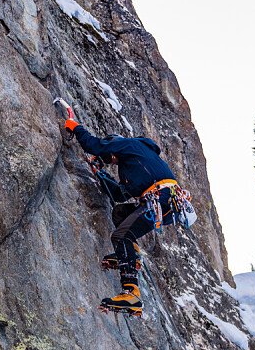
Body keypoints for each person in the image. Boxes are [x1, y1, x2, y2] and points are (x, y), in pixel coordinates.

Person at [63, 112, 186, 316]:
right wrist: (100, 175)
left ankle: (131, 293)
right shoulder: (135, 165)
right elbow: (120, 195)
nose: (111, 160)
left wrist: (76, 127)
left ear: (115, 145)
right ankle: (132, 257)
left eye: (110, 158)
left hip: (161, 197)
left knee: (121, 235)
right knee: (121, 213)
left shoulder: (130, 145)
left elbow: (95, 146)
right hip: (164, 201)